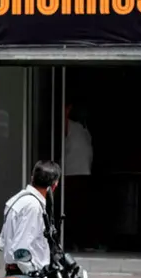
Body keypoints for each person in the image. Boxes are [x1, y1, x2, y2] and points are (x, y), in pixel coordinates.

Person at [63, 101, 94, 250]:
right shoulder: (70, 125)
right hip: (72, 173)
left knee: (79, 210)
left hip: (82, 173)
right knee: (73, 210)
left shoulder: (82, 128)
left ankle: (80, 242)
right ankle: (72, 242)